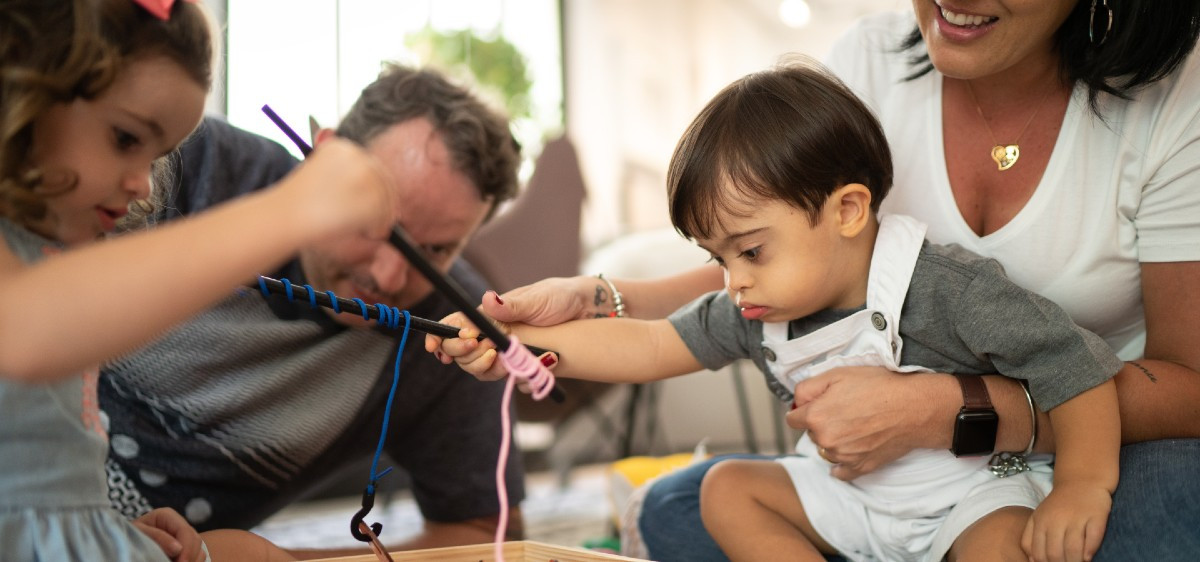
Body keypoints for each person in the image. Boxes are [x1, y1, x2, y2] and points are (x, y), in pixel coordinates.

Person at [479, 1, 1200, 560]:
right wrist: (510, 333)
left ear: (853, 209)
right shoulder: (756, 298)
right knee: (710, 498)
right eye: (722, 258)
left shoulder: (942, 286)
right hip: (853, 495)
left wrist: (1076, 484)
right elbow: (651, 349)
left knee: (1064, 526)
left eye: (748, 256)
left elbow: (1073, 369)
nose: (731, 281)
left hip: (979, 484)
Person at [0, 0, 396, 560]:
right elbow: (24, 328)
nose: (142, 183)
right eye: (125, 138)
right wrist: (292, 209)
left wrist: (93, 523)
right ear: (29, 85)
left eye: (158, 155)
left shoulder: (47, 256)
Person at [97, 63, 528, 556]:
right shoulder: (186, 165)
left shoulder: (451, 331)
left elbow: (487, 535)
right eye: (380, 224)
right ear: (325, 158)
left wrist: (281, 561)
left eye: (435, 253)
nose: (390, 277)